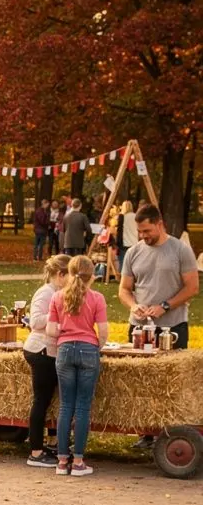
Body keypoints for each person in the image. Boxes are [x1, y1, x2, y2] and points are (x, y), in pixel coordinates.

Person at [119, 203, 199, 450]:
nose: (143, 236)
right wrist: (133, 306)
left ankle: (171, 433)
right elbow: (124, 289)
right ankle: (146, 433)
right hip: (141, 328)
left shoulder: (180, 250)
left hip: (172, 326)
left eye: (147, 231)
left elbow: (192, 287)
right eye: (140, 232)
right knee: (140, 381)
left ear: (159, 223)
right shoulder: (134, 252)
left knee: (171, 382)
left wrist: (165, 305)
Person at [47, 255, 109, 476]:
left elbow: (50, 330)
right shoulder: (97, 298)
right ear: (92, 276)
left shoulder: (57, 297)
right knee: (82, 407)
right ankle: (79, 461)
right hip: (88, 350)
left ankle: (62, 461)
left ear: (70, 273)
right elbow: (103, 332)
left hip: (64, 351)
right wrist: (96, 346)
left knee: (65, 406)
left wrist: (65, 332)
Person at [23, 253, 70, 467]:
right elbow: (35, 321)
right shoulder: (46, 293)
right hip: (41, 350)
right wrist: (59, 320)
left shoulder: (59, 292)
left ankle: (52, 442)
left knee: (52, 399)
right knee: (40, 400)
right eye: (70, 275)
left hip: (52, 351)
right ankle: (35, 451)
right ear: (60, 275)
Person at [118, 199, 138, 273]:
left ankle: (123, 277)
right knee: (133, 262)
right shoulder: (136, 216)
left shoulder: (122, 216)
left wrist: (117, 242)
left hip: (125, 242)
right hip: (134, 242)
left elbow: (119, 231)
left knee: (123, 261)